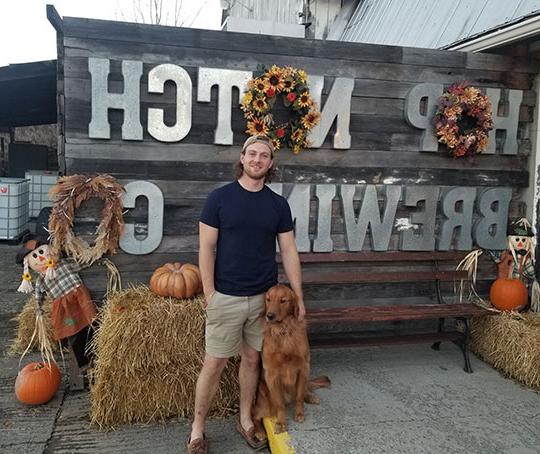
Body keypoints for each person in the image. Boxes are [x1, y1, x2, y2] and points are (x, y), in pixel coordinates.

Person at [187, 135, 305, 453]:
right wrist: (210, 292)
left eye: (263, 155)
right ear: (241, 158)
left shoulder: (278, 205)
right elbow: (206, 249)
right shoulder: (219, 199)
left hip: (263, 300)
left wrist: (298, 295)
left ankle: (246, 420)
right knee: (214, 363)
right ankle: (197, 431)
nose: (257, 160)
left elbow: (289, 250)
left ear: (271, 163)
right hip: (225, 296)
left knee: (252, 360)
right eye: (251, 154)